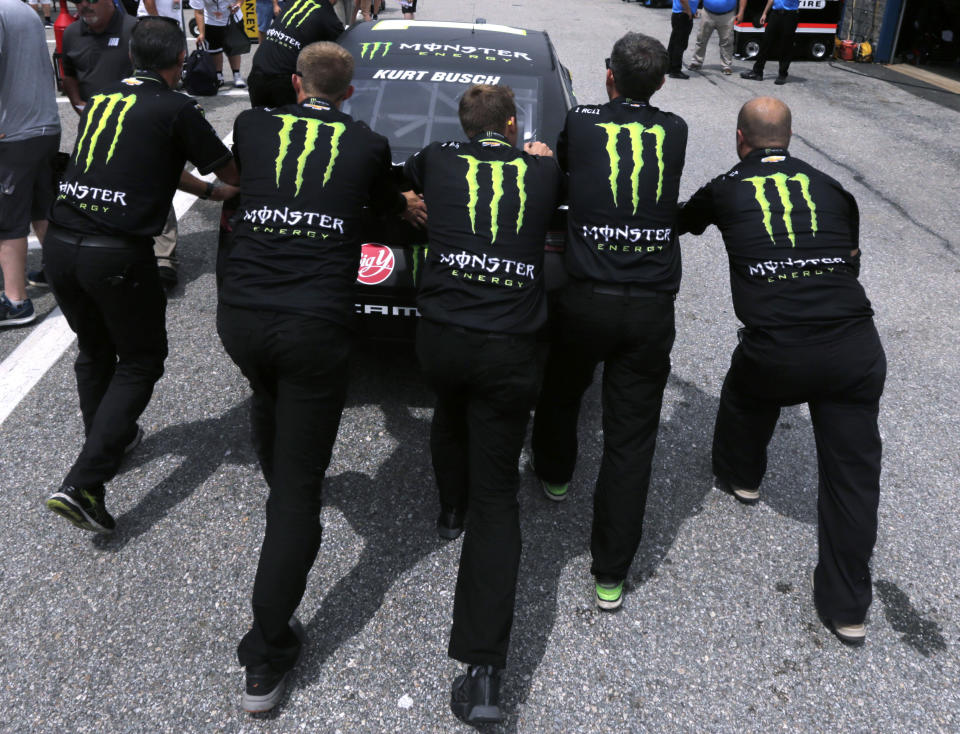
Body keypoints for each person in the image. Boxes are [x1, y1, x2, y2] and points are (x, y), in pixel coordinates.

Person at [219, 41, 425, 714]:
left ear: (298, 81)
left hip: (242, 319)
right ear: (350, 91)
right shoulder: (367, 145)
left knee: (265, 390)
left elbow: (260, 180)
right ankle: (265, 653)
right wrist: (411, 205)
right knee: (299, 493)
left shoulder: (251, 126)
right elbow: (385, 205)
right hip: (313, 328)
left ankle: (280, 472)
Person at [678, 97, 886, 645]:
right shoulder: (834, 188)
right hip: (855, 347)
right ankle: (847, 610)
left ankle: (741, 477)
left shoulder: (724, 187)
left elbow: (677, 222)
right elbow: (851, 259)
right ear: (789, 137)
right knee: (853, 479)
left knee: (746, 390)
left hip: (777, 351)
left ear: (740, 139)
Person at [43, 17, 239, 534]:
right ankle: (84, 483)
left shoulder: (106, 98)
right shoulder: (178, 107)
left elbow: (143, 160)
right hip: (116, 254)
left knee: (94, 348)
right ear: (179, 63)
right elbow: (233, 171)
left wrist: (205, 194)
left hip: (61, 244)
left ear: (132, 58)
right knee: (142, 358)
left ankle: (105, 439)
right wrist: (228, 189)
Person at [403, 84, 561, 724]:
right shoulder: (544, 168)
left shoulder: (436, 157)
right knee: (501, 496)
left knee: (448, 407)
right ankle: (486, 672)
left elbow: (400, 185)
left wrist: (414, 204)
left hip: (441, 338)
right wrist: (541, 158)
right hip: (510, 347)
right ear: (514, 123)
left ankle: (448, 509)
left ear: (465, 128)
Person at [529, 33, 687, 612]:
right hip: (649, 306)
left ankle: (554, 474)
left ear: (608, 75)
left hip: (586, 296)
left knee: (562, 389)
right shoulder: (676, 130)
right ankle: (610, 575)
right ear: (662, 84)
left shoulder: (582, 121)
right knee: (631, 438)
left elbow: (565, 179)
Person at [0, 0, 60, 326]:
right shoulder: (23, 9)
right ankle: (59, 272)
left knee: (7, 220)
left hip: (13, 132)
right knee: (41, 207)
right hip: (44, 124)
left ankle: (16, 301)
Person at [247, 0, 343, 106]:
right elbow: (343, 51)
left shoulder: (294, 2)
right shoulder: (329, 17)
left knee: (261, 120)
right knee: (287, 121)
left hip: (257, 69)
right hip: (282, 80)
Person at [739, 0, 799, 84]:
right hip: (775, 13)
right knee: (766, 42)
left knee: (786, 45)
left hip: (790, 15)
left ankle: (782, 74)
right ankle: (757, 72)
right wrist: (764, 13)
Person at [191, 0, 247, 88]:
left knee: (234, 48)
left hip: (233, 19)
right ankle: (218, 75)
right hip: (211, 22)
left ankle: (237, 74)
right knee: (214, 50)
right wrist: (201, 33)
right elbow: (198, 12)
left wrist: (239, 4)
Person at [688, 0, 736, 74]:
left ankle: (726, 66)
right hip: (708, 13)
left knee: (727, 41)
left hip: (727, 15)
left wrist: (741, 12)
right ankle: (696, 62)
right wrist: (694, 8)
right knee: (701, 38)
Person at [666, 0, 699, 79]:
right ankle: (675, 70)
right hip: (683, 14)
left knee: (674, 42)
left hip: (680, 14)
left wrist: (693, 9)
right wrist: (689, 11)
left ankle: (668, 67)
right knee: (680, 44)